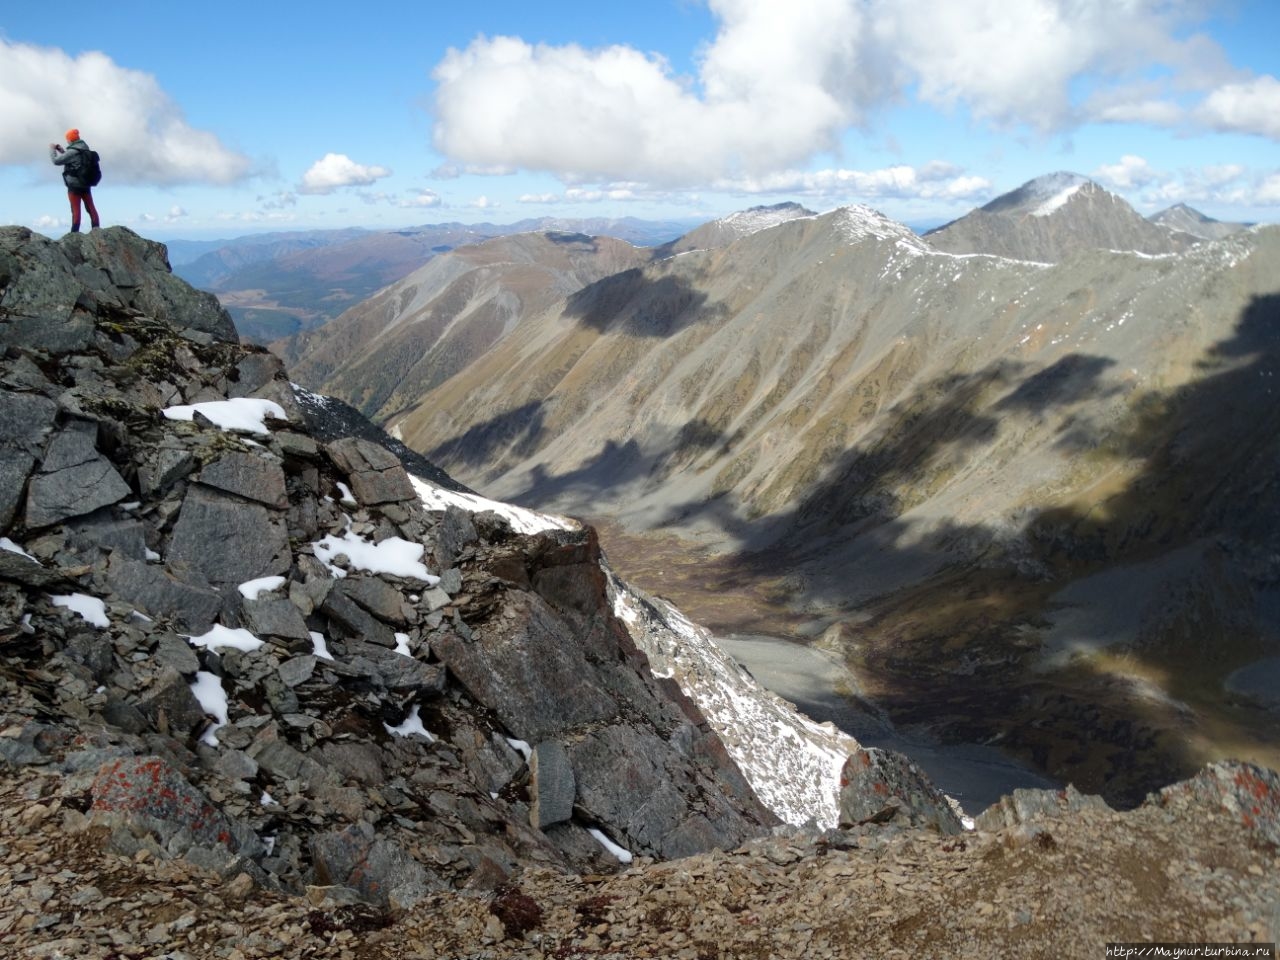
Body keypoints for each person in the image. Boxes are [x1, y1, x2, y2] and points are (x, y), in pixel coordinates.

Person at [49, 128, 101, 233]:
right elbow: (73, 160)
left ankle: (74, 233)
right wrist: (62, 151)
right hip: (86, 183)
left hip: (74, 185)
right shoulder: (85, 149)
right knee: (90, 207)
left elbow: (56, 161)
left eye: (67, 139)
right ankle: (97, 231)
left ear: (70, 140)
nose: (67, 141)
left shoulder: (72, 151)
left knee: (76, 210)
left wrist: (52, 150)